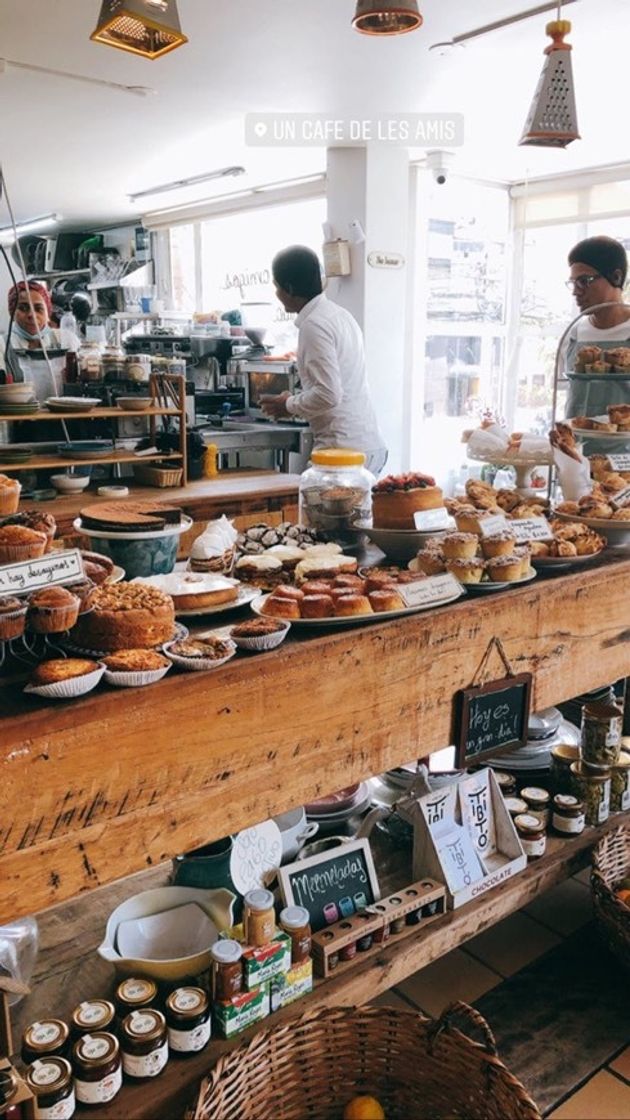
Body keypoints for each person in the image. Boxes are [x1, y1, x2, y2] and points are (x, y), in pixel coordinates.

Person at [260, 245, 387, 475]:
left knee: (314, 510)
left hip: (342, 450)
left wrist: (288, 405)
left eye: (276, 287)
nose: (277, 294)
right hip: (368, 444)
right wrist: (296, 399)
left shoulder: (314, 325)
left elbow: (329, 394)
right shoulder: (340, 315)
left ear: (288, 288)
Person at [565, 235, 630, 426]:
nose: (576, 291)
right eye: (573, 282)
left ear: (616, 277)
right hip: (575, 449)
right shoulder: (575, 333)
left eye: (584, 281)